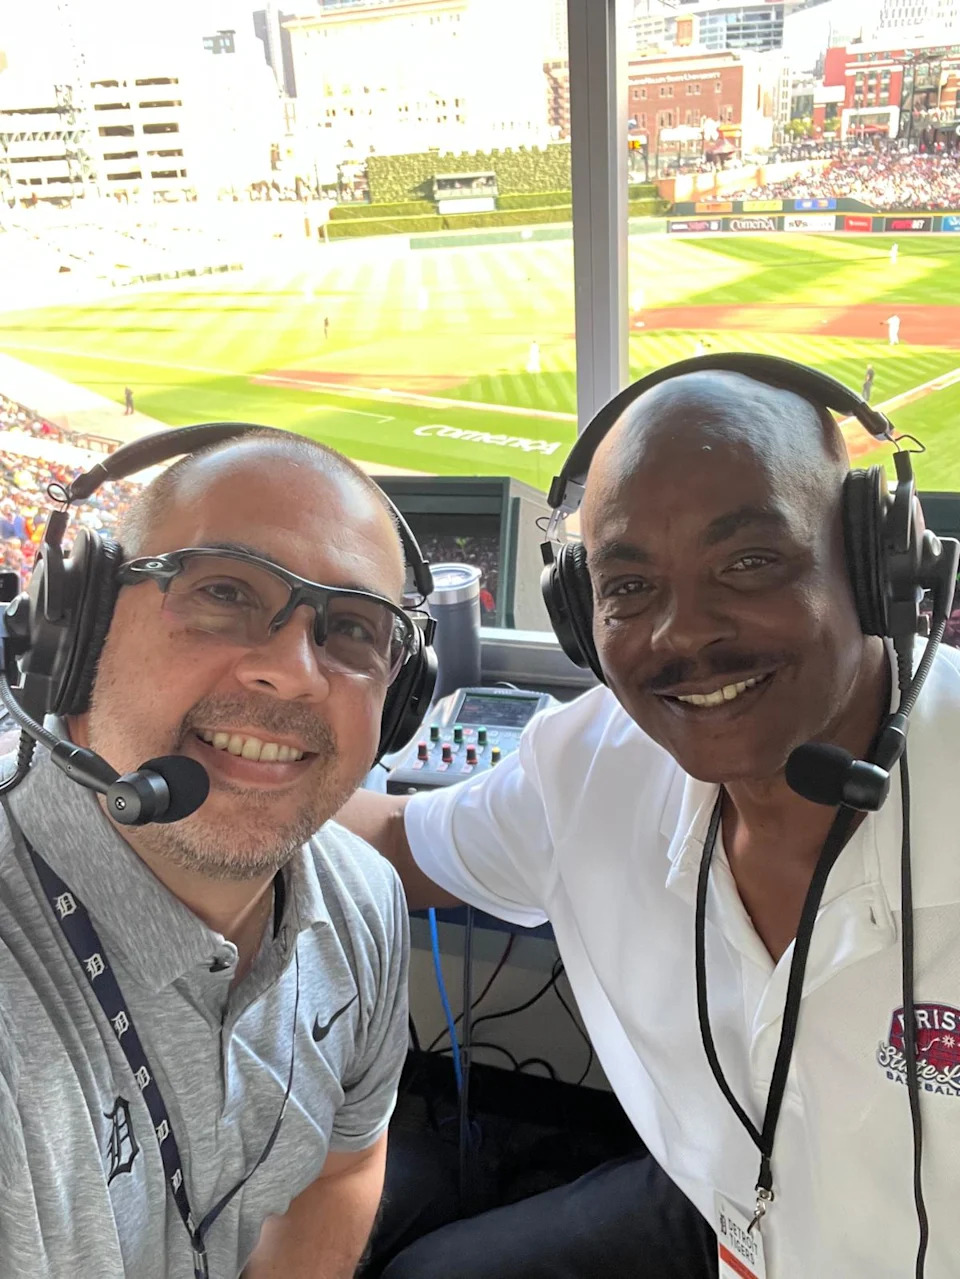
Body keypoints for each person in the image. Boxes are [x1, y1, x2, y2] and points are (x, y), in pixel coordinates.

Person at [341, 368, 960, 1278]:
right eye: (629, 584)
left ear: (875, 566)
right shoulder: (588, 761)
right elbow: (395, 843)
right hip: (728, 1219)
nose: (684, 633)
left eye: (750, 562)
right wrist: (222, 781)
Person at [0, 431, 413, 1277]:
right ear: (74, 628)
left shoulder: (363, 900)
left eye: (355, 629)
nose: (293, 673)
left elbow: (341, 1169)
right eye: (224, 590)